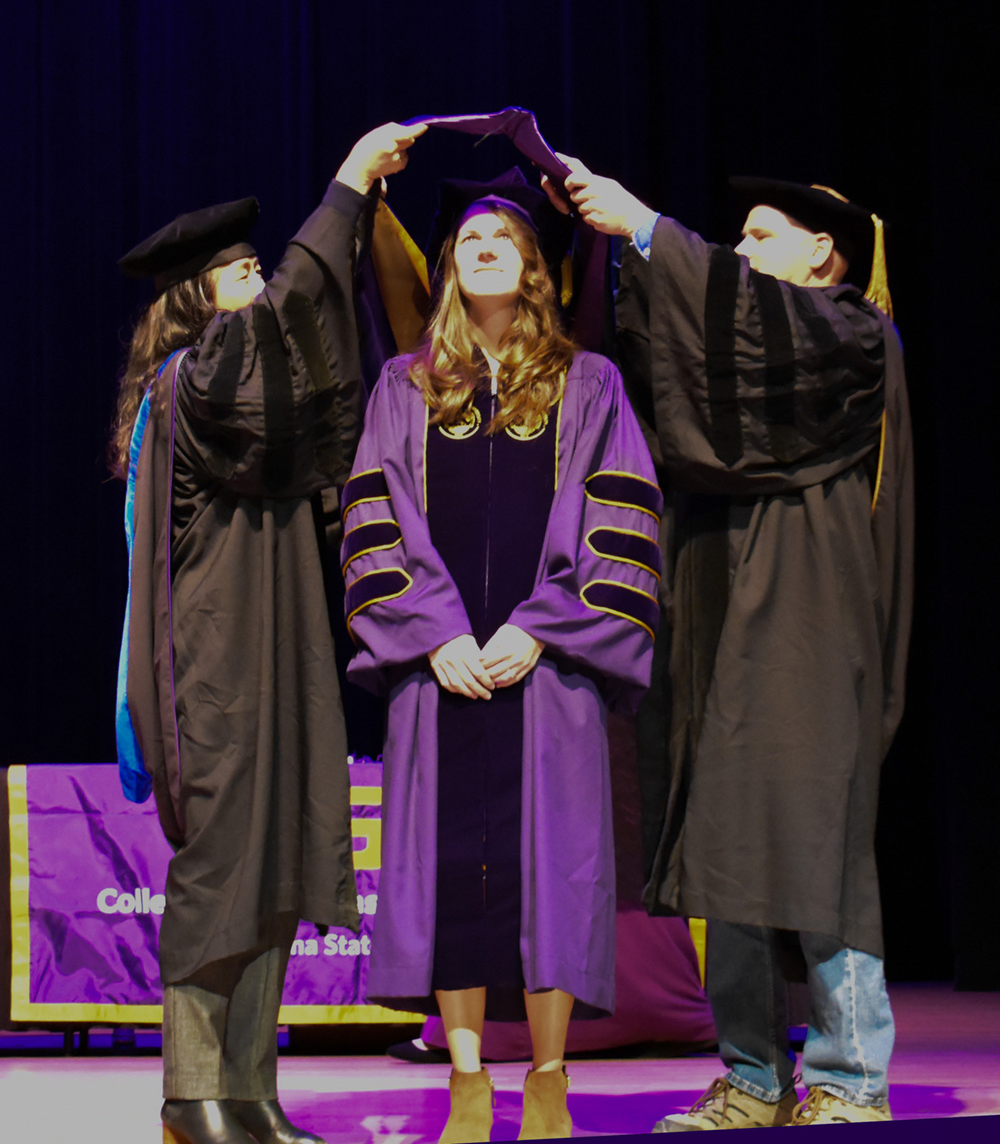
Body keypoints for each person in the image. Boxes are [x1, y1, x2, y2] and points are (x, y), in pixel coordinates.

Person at [543, 164, 913, 1129]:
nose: (738, 253)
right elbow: (670, 360)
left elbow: (737, 320)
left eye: (757, 236)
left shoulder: (850, 332)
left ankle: (849, 1076)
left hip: (807, 615)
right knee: (726, 837)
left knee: (811, 834)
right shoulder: (745, 333)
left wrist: (651, 228)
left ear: (821, 251)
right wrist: (608, 241)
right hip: (714, 599)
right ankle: (752, 1076)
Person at [111, 121, 423, 1144]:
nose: (263, 285)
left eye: (256, 268)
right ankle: (190, 1090)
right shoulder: (195, 381)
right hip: (215, 663)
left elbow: (311, 359)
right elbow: (292, 317)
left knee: (280, 852)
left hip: (276, 655)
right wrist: (345, 188)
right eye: (241, 271)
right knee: (223, 865)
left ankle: (249, 1089)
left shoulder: (243, 398)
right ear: (196, 296)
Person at [340, 171, 662, 1142]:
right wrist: (435, 631)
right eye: (468, 236)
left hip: (546, 664)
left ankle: (550, 1074)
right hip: (437, 669)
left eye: (504, 236)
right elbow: (372, 518)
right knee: (447, 868)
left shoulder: (588, 382)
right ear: (447, 266)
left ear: (534, 266)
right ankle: (469, 1075)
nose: (483, 244)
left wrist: (541, 624)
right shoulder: (404, 386)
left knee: (553, 868)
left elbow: (619, 520)